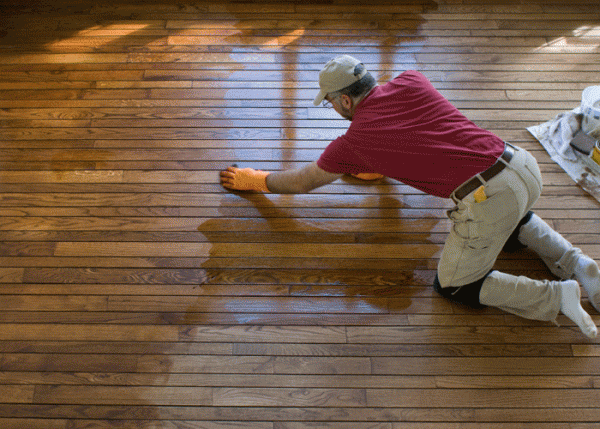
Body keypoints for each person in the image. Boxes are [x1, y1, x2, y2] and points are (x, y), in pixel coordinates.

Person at [220, 55, 600, 339]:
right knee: (513, 220)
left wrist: (258, 180)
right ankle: (582, 265)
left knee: (455, 285)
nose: (332, 109)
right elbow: (417, 134)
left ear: (345, 102)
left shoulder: (354, 141)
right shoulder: (412, 80)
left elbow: (303, 182)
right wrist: (372, 163)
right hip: (520, 166)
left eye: (330, 102)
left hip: (488, 195)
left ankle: (556, 296)